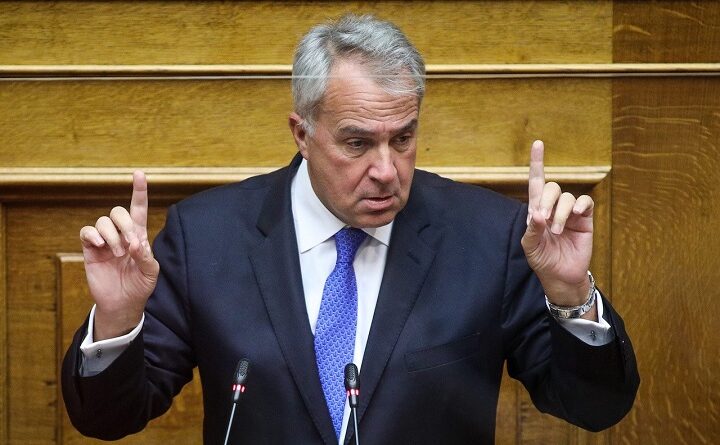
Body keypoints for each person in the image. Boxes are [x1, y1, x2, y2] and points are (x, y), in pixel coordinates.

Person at [62, 14, 639, 445]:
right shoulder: (207, 236)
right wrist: (117, 321)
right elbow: (109, 419)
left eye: (403, 138)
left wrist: (570, 294)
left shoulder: (489, 237)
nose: (386, 170)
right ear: (302, 133)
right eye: (358, 143)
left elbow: (594, 408)